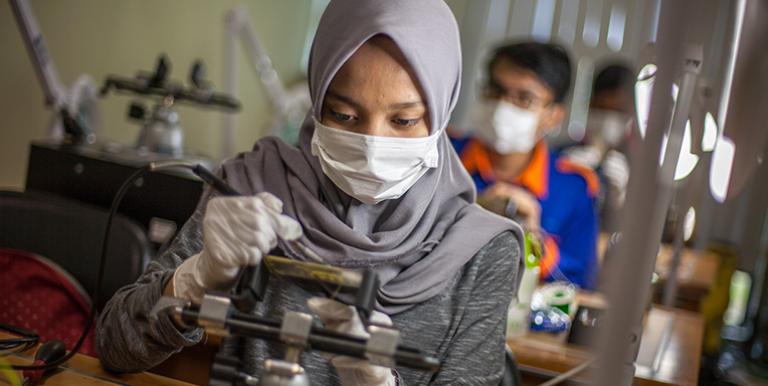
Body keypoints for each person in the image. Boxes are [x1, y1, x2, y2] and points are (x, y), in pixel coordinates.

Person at [95, 1, 524, 385]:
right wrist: (192, 278)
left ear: (443, 109)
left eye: (404, 120)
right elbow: (114, 344)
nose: (372, 145)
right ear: (317, 100)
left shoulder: (482, 252)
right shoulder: (252, 188)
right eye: (344, 114)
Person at [449, 42, 599, 290]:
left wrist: (534, 244)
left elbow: (582, 284)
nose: (502, 106)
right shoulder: (443, 154)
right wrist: (466, 212)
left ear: (553, 117)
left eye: (525, 99)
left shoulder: (574, 187)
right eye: (495, 90)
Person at [565, 63, 635, 233]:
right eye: (601, 108)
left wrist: (622, 198)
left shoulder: (642, 167)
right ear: (589, 106)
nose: (608, 118)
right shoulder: (565, 155)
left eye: (619, 110)